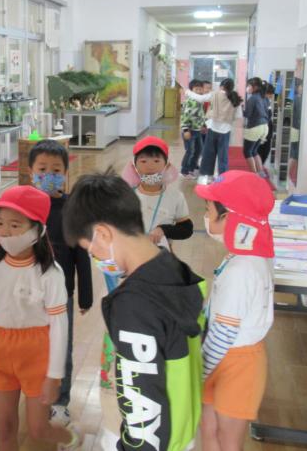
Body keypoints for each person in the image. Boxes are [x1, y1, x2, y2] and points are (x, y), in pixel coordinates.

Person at [63, 173, 205, 451]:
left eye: (91, 250)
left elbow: (144, 400)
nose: (96, 259)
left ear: (103, 234)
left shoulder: (134, 304)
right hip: (180, 430)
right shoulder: (173, 267)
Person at [0, 185, 81, 451]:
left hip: (36, 353)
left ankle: (70, 438)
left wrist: (55, 375)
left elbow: (59, 326)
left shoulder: (50, 273)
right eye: (0, 223)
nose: (5, 232)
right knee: (5, 427)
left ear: (37, 229)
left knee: (38, 428)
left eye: (15, 225)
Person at [194, 171, 275, 451]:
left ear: (230, 217)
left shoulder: (242, 269)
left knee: (228, 440)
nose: (205, 217)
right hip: (219, 353)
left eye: (208, 210)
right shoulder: (245, 257)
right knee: (209, 429)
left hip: (237, 362)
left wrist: (200, 370)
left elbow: (225, 331)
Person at [28, 140, 92, 426]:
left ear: (66, 173)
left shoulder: (72, 210)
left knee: (61, 347)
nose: (48, 175)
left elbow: (81, 254)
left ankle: (60, 401)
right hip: (28, 293)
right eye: (42, 169)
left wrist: (85, 295)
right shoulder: (24, 206)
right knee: (33, 346)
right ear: (30, 171)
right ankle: (34, 393)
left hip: (61, 293)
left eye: (56, 170)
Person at [126, 136, 193, 249]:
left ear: (166, 165)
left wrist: (164, 230)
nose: (150, 166)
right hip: (129, 253)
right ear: (134, 166)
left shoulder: (176, 196)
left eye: (156, 161)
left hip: (161, 254)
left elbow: (186, 229)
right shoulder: (125, 195)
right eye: (143, 161)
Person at [188, 78, 244, 176]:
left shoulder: (215, 94)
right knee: (223, 156)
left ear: (221, 86)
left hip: (213, 129)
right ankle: (223, 176)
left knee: (209, 154)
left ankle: (206, 175)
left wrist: (187, 92)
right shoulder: (235, 97)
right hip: (226, 131)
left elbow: (200, 98)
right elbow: (239, 116)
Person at [180, 79, 207, 179]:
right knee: (190, 151)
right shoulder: (190, 102)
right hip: (189, 131)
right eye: (196, 89)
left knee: (199, 149)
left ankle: (192, 166)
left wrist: (203, 125)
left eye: (200, 89)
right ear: (191, 90)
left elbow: (200, 115)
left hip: (197, 130)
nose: (199, 91)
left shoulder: (200, 101)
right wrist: (185, 130)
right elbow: (184, 117)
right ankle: (184, 171)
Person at [243, 77, 269, 175]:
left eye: (249, 86)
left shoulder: (252, 98)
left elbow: (247, 114)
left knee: (247, 151)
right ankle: (261, 173)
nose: (247, 88)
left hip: (255, 126)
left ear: (255, 87)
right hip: (264, 127)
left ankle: (254, 175)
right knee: (254, 151)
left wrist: (240, 109)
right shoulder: (264, 97)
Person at [257, 82, 276, 168]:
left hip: (267, 128)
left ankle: (259, 167)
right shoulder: (260, 101)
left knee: (265, 150)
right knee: (262, 150)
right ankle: (258, 168)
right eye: (270, 94)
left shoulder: (266, 101)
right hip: (262, 129)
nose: (271, 96)